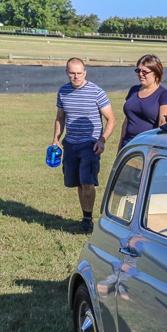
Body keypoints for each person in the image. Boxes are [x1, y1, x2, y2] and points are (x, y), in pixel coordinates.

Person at [53, 57, 116, 232]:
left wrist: (102, 140)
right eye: (72, 73)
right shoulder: (63, 91)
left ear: (85, 73)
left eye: (79, 73)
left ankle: (88, 219)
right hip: (70, 144)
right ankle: (85, 216)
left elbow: (111, 119)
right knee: (79, 182)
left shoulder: (97, 92)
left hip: (90, 144)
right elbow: (60, 118)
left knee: (87, 181)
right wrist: (56, 139)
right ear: (66, 72)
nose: (76, 77)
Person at [117, 54, 167, 151]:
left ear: (156, 73)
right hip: (128, 146)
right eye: (138, 70)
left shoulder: (165, 95)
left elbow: (164, 125)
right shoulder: (133, 90)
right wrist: (120, 149)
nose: (140, 74)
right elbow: (126, 122)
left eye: (144, 71)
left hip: (148, 148)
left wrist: (154, 151)